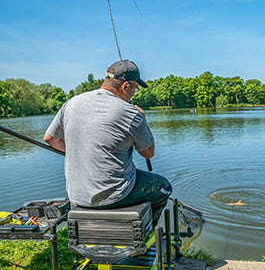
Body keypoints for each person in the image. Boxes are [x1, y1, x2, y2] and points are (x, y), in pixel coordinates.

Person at [44, 60, 172, 226]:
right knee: (163, 187)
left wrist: (81, 151)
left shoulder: (71, 103)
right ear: (126, 86)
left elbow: (50, 138)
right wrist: (143, 120)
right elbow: (148, 153)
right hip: (114, 195)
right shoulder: (131, 113)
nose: (134, 93)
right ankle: (144, 235)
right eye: (134, 88)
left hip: (77, 195)